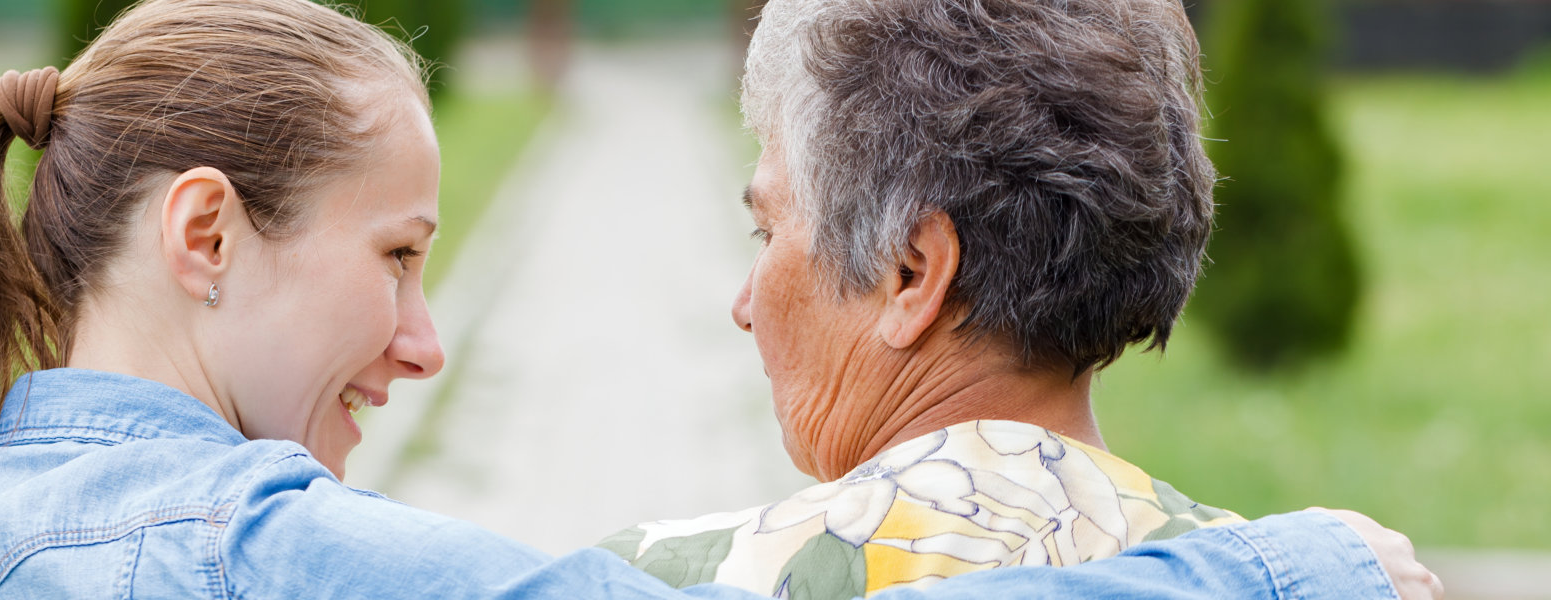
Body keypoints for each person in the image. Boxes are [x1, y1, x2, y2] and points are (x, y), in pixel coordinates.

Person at [0, 0, 1436, 598]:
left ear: (914, 271)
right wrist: (1300, 565)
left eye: (760, 219)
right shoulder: (226, 550)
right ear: (202, 235)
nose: (425, 336)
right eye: (398, 255)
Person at [597, 0, 1441, 597]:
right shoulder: (1336, 577)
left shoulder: (663, 579)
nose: (745, 303)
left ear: (911, 272)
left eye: (767, 233)